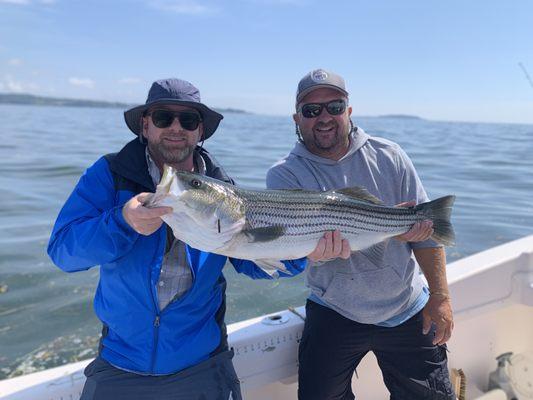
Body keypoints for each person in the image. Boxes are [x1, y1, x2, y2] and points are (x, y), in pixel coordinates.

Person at [47, 78, 335, 400]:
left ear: (200, 131)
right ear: (145, 126)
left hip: (203, 364)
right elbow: (63, 251)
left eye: (188, 120)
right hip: (120, 363)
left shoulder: (223, 189)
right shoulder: (111, 175)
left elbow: (251, 262)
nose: (175, 128)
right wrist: (122, 221)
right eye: (162, 118)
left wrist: (305, 251)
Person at [267, 69, 455, 400]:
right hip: (334, 309)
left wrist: (440, 297)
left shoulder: (390, 155)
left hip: (405, 304)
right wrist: (309, 251)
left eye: (334, 107)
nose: (324, 117)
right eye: (312, 110)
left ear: (349, 111)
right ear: (296, 118)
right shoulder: (284, 173)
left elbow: (427, 234)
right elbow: (288, 246)